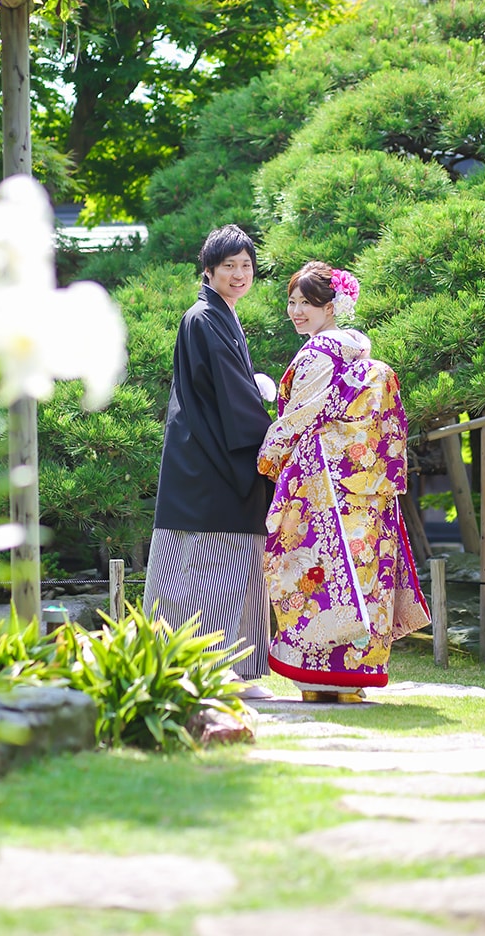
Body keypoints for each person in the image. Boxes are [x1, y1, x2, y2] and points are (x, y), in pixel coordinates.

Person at [257, 261, 430, 703]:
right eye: (292, 302)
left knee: (311, 570)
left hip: (320, 486)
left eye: (308, 304)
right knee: (363, 571)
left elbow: (297, 419)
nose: (297, 311)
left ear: (331, 307)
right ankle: (354, 678)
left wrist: (268, 455)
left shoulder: (317, 354)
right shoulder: (362, 358)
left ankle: (316, 682)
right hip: (363, 488)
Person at [143, 224, 276, 700]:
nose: (240, 275)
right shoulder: (204, 317)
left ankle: (231, 671)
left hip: (212, 453)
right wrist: (274, 438)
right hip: (210, 462)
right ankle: (210, 671)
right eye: (230, 267)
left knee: (232, 567)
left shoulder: (220, 316)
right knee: (207, 568)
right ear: (209, 270)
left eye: (246, 266)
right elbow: (228, 393)